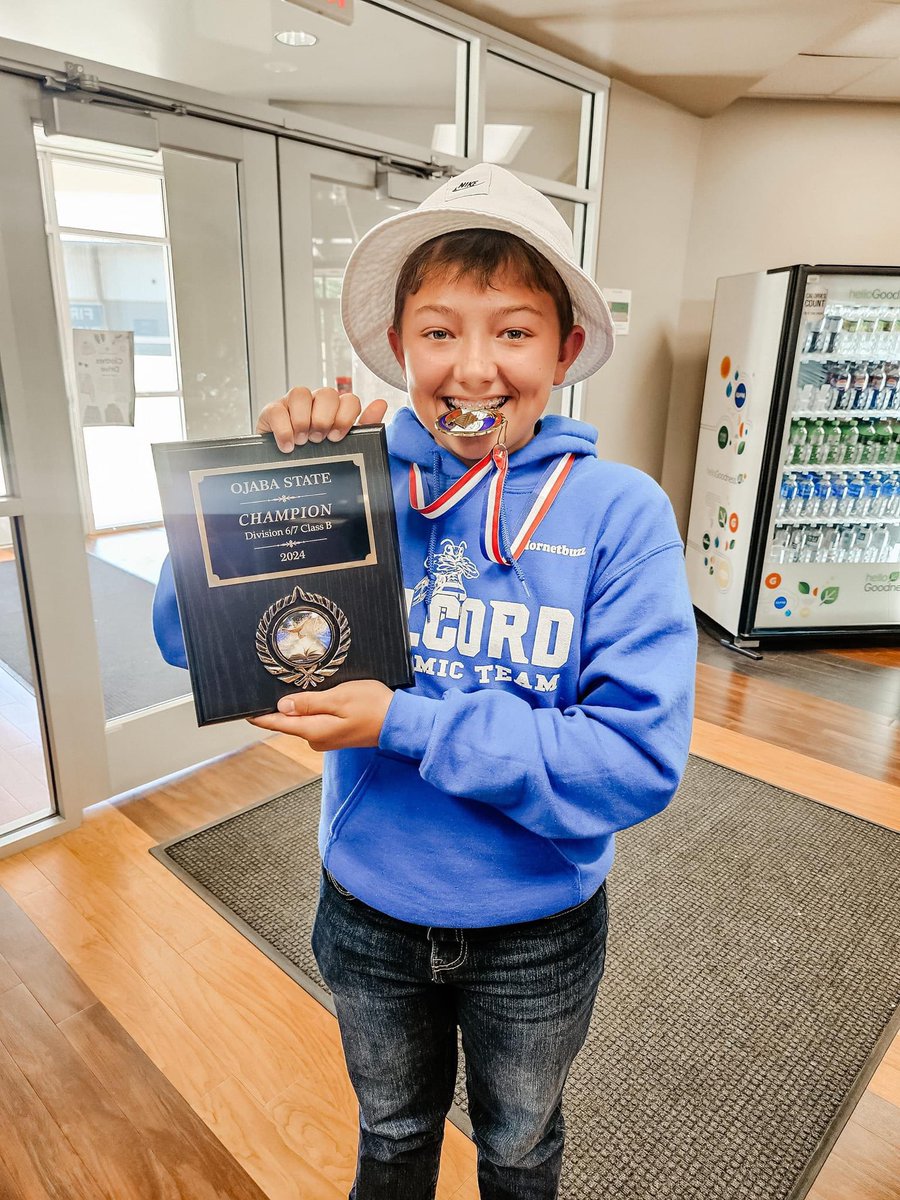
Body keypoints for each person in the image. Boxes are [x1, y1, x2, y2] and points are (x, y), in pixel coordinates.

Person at [153, 162, 697, 1200]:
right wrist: (262, 483)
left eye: (515, 331)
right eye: (441, 332)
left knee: (521, 1147)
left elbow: (634, 764)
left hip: (539, 924)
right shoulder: (352, 479)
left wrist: (407, 722)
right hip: (370, 907)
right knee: (394, 1132)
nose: (475, 368)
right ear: (400, 346)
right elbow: (195, 642)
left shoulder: (623, 516)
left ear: (566, 348)